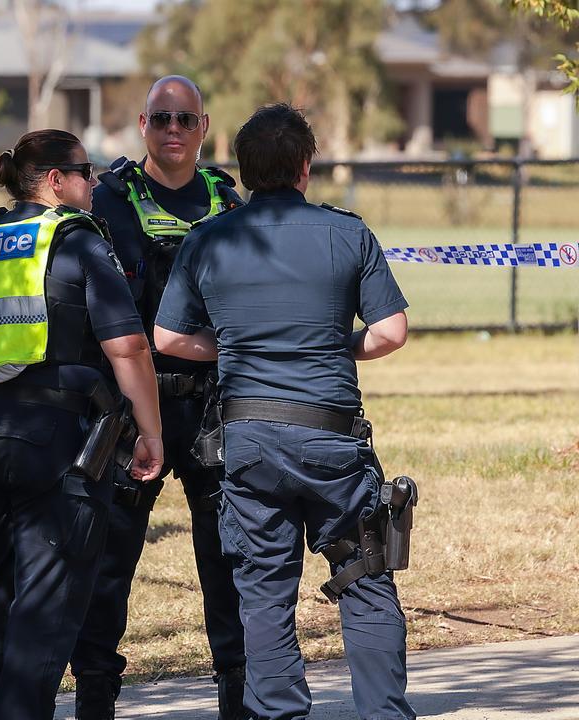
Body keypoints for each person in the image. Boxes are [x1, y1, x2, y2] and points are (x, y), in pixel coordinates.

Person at [153, 103, 414, 720]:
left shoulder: (208, 238)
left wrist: (235, 346)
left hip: (248, 441)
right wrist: (335, 344)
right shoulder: (347, 233)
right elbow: (393, 330)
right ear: (306, 166)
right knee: (365, 574)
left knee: (264, 594)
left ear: (241, 172)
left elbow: (166, 338)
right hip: (332, 442)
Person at [0, 129, 166, 720]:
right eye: (84, 172)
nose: (94, 183)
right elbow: (128, 348)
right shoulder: (76, 240)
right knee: (45, 607)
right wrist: (152, 433)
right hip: (57, 442)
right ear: (54, 181)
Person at [71, 75, 248, 719]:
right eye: (161, 118)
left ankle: (238, 686)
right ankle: (95, 693)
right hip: (125, 405)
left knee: (227, 556)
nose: (174, 130)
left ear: (204, 127)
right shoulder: (108, 198)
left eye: (186, 119)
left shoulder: (229, 203)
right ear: (142, 125)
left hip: (210, 402)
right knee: (108, 557)